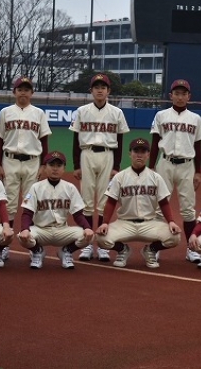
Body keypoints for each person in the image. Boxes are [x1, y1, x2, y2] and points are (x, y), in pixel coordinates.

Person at [70, 73, 130, 262]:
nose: (100, 90)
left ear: (108, 91)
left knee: (105, 200)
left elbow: (120, 141)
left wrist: (116, 166)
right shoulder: (82, 111)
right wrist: (76, 165)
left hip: (108, 155)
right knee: (86, 201)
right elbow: (75, 139)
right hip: (86, 154)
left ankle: (103, 245)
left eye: (103, 87)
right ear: (91, 91)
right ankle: (88, 244)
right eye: (96, 87)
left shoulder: (116, 112)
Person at [96, 138, 181, 269]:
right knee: (101, 238)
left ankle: (150, 250)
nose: (139, 155)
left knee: (175, 237)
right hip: (125, 223)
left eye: (143, 151)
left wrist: (171, 221)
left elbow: (163, 202)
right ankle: (123, 250)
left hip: (149, 223)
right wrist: (105, 223)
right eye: (136, 151)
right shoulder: (120, 177)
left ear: (148, 155)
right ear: (130, 154)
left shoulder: (156, 177)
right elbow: (111, 202)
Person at [0, 76, 52, 261]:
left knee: (31, 204)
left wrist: (44, 164)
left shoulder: (39, 113)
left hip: (32, 162)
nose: (23, 93)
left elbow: (44, 140)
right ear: (14, 92)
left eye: (27, 90)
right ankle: (5, 243)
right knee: (9, 204)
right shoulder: (5, 112)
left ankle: (32, 244)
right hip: (9, 160)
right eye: (20, 89)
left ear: (32, 93)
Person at [149, 79, 201, 264]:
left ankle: (191, 249)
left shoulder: (196, 118)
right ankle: (155, 247)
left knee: (188, 209)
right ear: (171, 96)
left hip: (187, 166)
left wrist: (198, 172)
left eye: (183, 94)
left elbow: (198, 147)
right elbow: (155, 143)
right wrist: (150, 167)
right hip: (165, 163)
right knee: (159, 208)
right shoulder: (161, 115)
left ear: (189, 96)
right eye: (177, 93)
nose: (180, 97)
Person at [17, 151, 95, 269]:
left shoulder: (70, 188)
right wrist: (25, 229)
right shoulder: (36, 187)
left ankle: (66, 251)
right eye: (51, 165)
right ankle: (37, 251)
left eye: (59, 165)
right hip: (41, 230)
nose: (55, 168)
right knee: (22, 236)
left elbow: (78, 214)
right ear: (45, 168)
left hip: (62, 231)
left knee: (89, 236)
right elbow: (27, 213)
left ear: (64, 168)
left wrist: (87, 227)